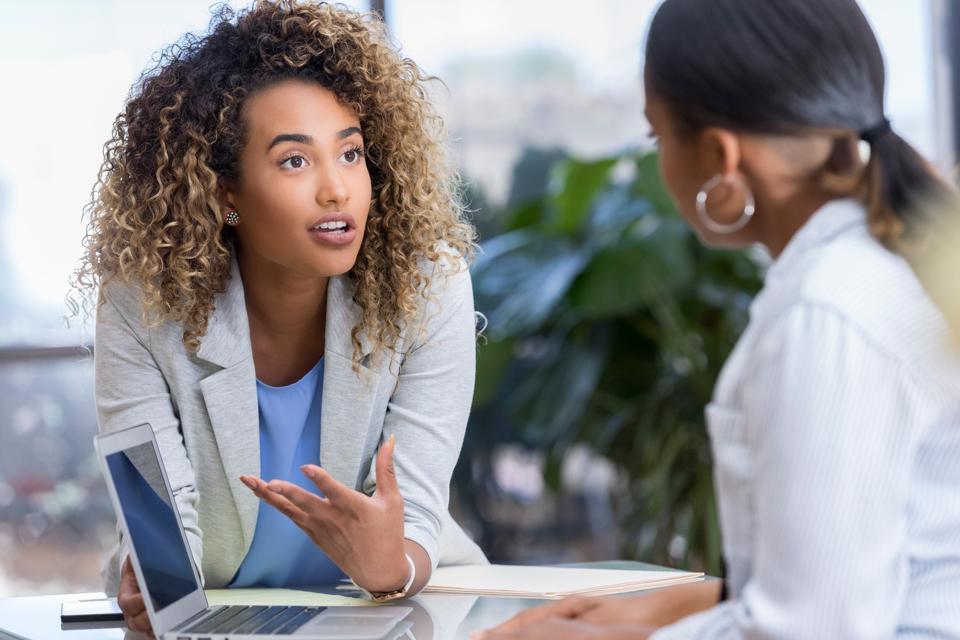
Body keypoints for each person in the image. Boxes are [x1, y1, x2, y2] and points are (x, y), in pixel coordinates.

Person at [478, 0, 960, 637]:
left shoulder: (828, 314)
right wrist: (677, 606)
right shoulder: (870, 270)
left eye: (658, 136)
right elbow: (870, 562)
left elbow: (815, 630)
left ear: (720, 155)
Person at [71, 1, 485, 633]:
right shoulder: (144, 302)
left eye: (350, 154)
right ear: (223, 191)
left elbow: (419, 510)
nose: (337, 189)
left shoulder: (428, 286)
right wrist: (151, 577)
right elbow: (160, 515)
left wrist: (393, 566)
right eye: (295, 160)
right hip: (216, 622)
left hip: (399, 616)